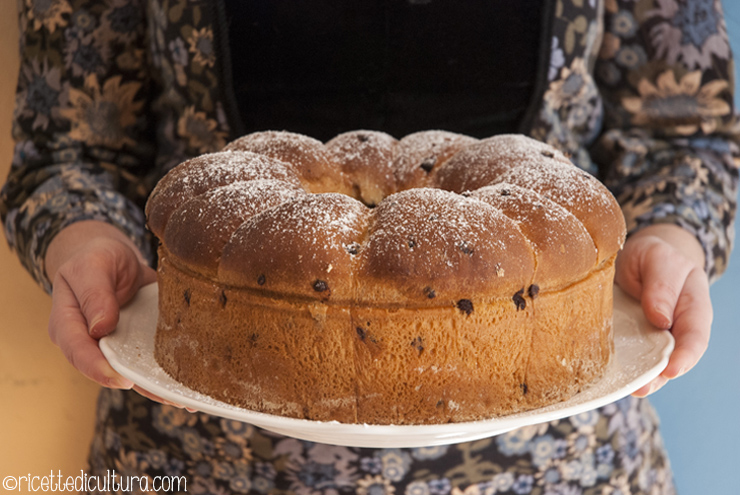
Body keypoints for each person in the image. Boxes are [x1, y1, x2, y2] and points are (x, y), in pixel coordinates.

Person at [1, 0, 738, 493]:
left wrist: (673, 231)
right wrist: (84, 235)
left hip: (559, 461)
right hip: (200, 452)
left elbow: (688, 130)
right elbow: (64, 147)